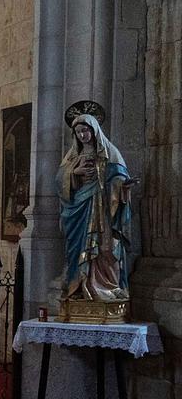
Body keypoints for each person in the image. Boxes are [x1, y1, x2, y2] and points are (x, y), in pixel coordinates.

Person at [58, 113, 137, 302]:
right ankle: (79, 286)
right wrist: (74, 173)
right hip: (80, 208)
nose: (82, 135)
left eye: (85, 130)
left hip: (103, 209)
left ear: (94, 131)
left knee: (107, 248)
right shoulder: (72, 157)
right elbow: (59, 182)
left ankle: (108, 286)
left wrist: (122, 186)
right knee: (78, 250)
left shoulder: (109, 153)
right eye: (78, 132)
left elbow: (118, 175)